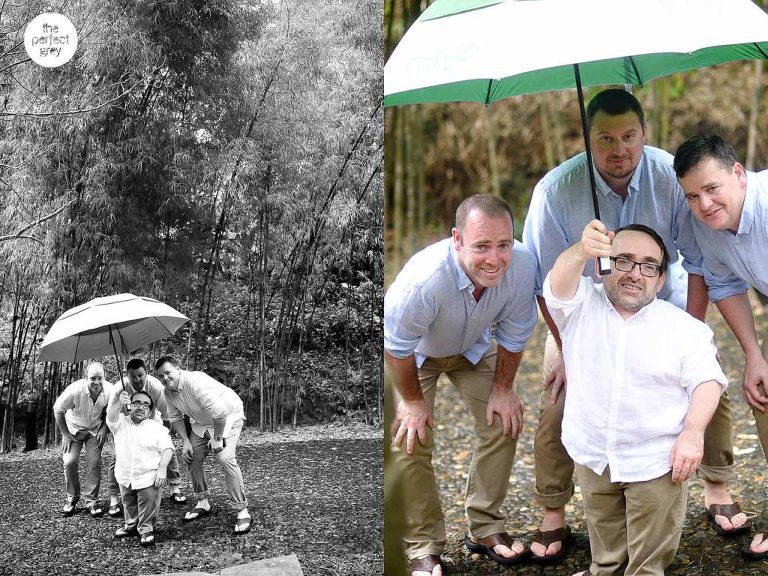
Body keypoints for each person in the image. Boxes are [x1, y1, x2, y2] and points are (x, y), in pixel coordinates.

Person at [521, 88, 743, 562]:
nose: (618, 149)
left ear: (645, 132)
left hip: (669, 296)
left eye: (628, 136)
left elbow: (699, 262)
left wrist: (690, 337)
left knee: (704, 379)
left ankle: (717, 483)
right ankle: (553, 510)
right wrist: (566, 348)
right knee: (560, 393)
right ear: (587, 139)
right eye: (604, 139)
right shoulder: (556, 192)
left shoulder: (672, 177)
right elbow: (547, 283)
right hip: (584, 307)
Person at [544, 220, 727, 576]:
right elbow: (556, 283)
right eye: (623, 261)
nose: (635, 274)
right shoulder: (579, 306)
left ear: (660, 280)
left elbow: (708, 380)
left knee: (647, 566)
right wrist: (582, 249)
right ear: (603, 265)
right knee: (607, 558)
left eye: (648, 266)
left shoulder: (685, 329)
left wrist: (692, 433)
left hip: (656, 461)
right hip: (593, 455)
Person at [384, 194, 538, 576]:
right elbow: (396, 347)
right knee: (410, 438)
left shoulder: (521, 266)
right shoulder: (424, 282)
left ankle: (485, 527)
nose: (495, 258)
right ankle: (423, 546)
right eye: (481, 246)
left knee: (504, 420)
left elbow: (515, 336)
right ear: (457, 240)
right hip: (415, 357)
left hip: (472, 348)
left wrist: (504, 389)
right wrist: (413, 403)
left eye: (503, 244)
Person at [673, 133, 768, 559]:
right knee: (763, 394)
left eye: (711, 189)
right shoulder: (703, 225)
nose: (704, 204)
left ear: (738, 175)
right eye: (693, 196)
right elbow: (725, 283)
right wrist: (753, 355)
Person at [153, 355, 252, 535]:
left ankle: (242, 510)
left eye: (168, 373)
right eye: (161, 376)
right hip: (202, 421)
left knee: (224, 458)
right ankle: (202, 501)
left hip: (228, 417)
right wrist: (185, 441)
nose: (165, 378)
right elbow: (175, 418)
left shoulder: (195, 382)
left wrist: (218, 438)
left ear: (178, 368)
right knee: (192, 455)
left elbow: (220, 412)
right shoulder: (167, 391)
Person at [106, 357, 187, 516]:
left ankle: (175, 486)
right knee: (116, 456)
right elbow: (110, 417)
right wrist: (119, 403)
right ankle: (114, 497)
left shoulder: (155, 386)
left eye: (140, 375)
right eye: (133, 376)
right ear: (127, 375)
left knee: (166, 448)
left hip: (152, 420)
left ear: (146, 373)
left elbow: (167, 412)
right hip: (125, 425)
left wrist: (165, 433)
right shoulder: (118, 389)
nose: (137, 380)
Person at [107, 388, 175, 546]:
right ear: (130, 405)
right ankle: (131, 524)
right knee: (128, 501)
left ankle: (146, 529)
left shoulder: (157, 428)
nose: (141, 407)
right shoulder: (120, 423)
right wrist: (119, 403)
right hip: (125, 475)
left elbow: (167, 448)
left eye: (146, 405)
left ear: (150, 411)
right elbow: (110, 417)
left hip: (148, 477)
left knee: (148, 504)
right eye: (136, 402)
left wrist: (162, 468)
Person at [53, 362, 114, 517]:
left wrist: (104, 428)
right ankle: (72, 497)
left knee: (94, 463)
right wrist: (65, 434)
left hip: (95, 430)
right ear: (85, 378)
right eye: (93, 378)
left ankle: (91, 500)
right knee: (69, 461)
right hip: (74, 429)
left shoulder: (110, 390)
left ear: (104, 377)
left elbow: (113, 410)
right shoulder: (75, 390)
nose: (97, 382)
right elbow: (57, 409)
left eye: (100, 378)